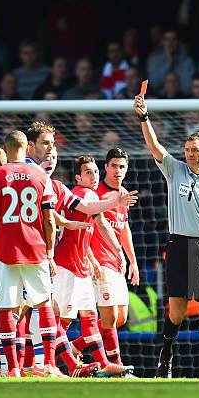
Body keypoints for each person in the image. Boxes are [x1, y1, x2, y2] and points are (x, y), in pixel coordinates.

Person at [134, 95, 199, 378]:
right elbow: (155, 146)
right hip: (178, 244)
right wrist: (144, 117)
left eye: (195, 149)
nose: (190, 154)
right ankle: (165, 362)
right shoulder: (174, 169)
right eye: (187, 149)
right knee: (176, 311)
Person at [0, 130, 64, 378]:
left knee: (7, 308)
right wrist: (50, 251)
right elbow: (48, 217)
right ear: (27, 149)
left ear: (5, 148)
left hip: (5, 251)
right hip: (35, 249)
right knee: (43, 304)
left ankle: (13, 368)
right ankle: (49, 363)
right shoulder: (40, 176)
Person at [52, 155, 135, 378]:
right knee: (57, 319)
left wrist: (118, 251)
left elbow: (99, 224)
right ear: (78, 177)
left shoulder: (90, 197)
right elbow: (89, 211)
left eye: (96, 172)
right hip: (65, 265)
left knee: (89, 317)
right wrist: (115, 202)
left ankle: (103, 363)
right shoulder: (80, 194)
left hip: (81, 267)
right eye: (88, 172)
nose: (94, 176)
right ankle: (58, 363)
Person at [87, 148, 140, 366]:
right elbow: (99, 224)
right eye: (114, 166)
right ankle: (116, 366)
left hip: (118, 263)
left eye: (122, 166)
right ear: (106, 167)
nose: (118, 171)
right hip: (100, 261)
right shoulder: (97, 193)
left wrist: (133, 261)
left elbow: (123, 227)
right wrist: (95, 259)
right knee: (108, 318)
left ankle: (76, 345)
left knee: (121, 318)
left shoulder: (124, 193)